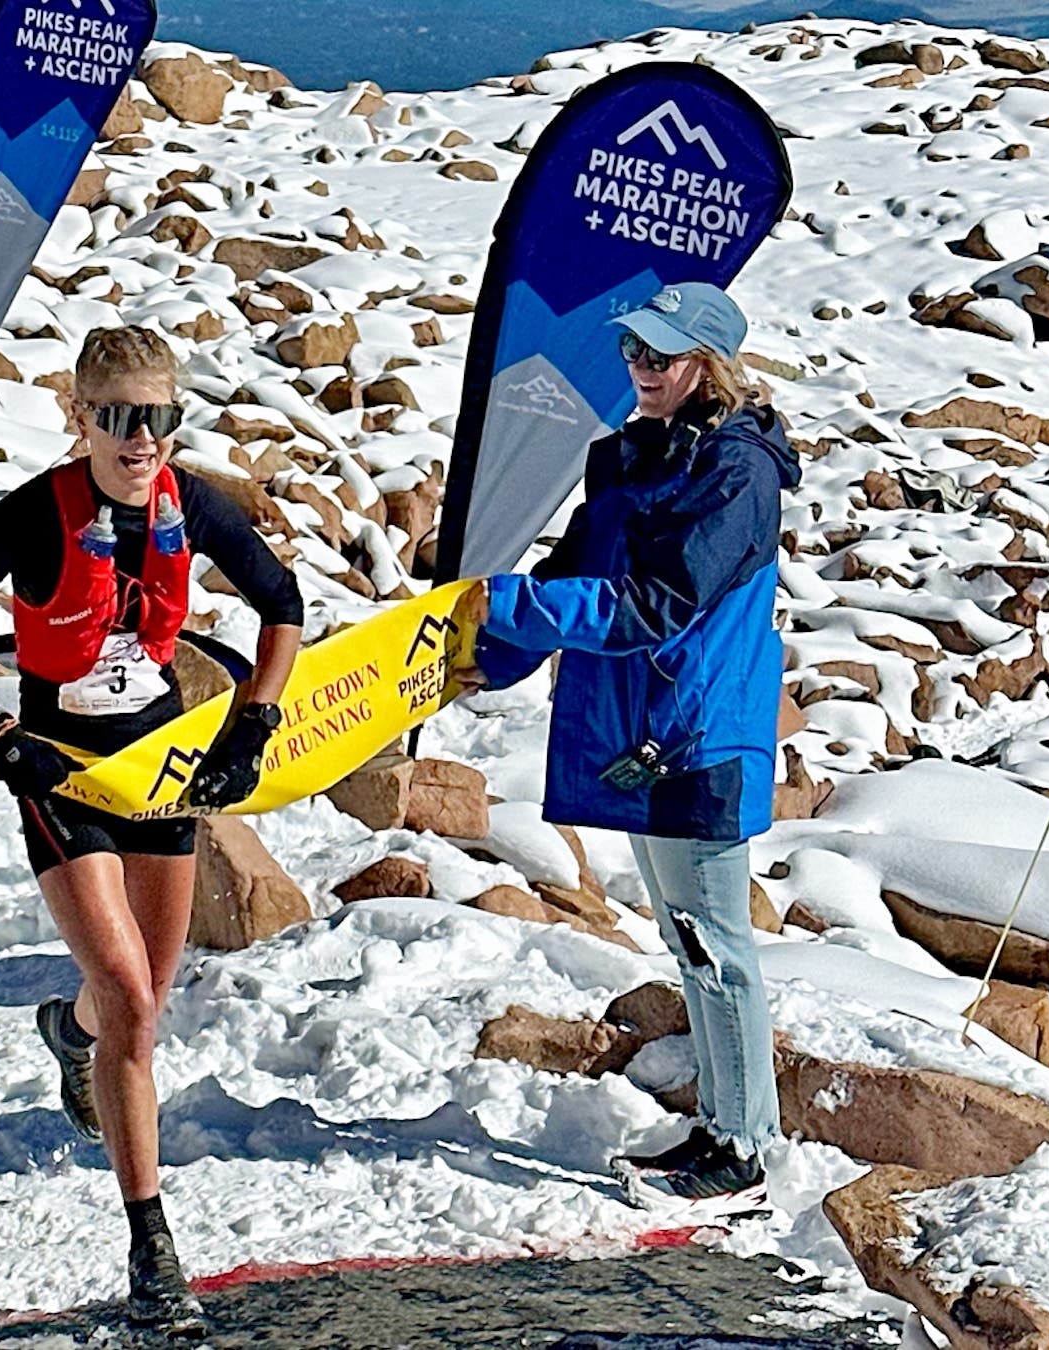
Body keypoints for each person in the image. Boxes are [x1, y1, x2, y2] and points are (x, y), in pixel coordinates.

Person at [0, 326, 304, 1335]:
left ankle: (68, 1033)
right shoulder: (33, 514)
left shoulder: (192, 503)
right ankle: (152, 1252)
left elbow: (282, 604)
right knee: (130, 996)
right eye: (121, 417)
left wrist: (254, 721)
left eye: (160, 417)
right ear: (81, 417)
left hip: (158, 772)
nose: (142, 439)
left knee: (142, 1002)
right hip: (60, 775)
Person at [455, 281, 798, 1207]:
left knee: (717, 946)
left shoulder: (738, 472)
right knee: (690, 944)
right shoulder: (633, 455)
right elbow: (578, 568)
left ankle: (744, 1152)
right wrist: (495, 653)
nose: (640, 368)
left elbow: (657, 603)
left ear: (709, 367)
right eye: (632, 351)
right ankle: (720, 1131)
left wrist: (509, 605)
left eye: (660, 355)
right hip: (644, 735)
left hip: (700, 737)